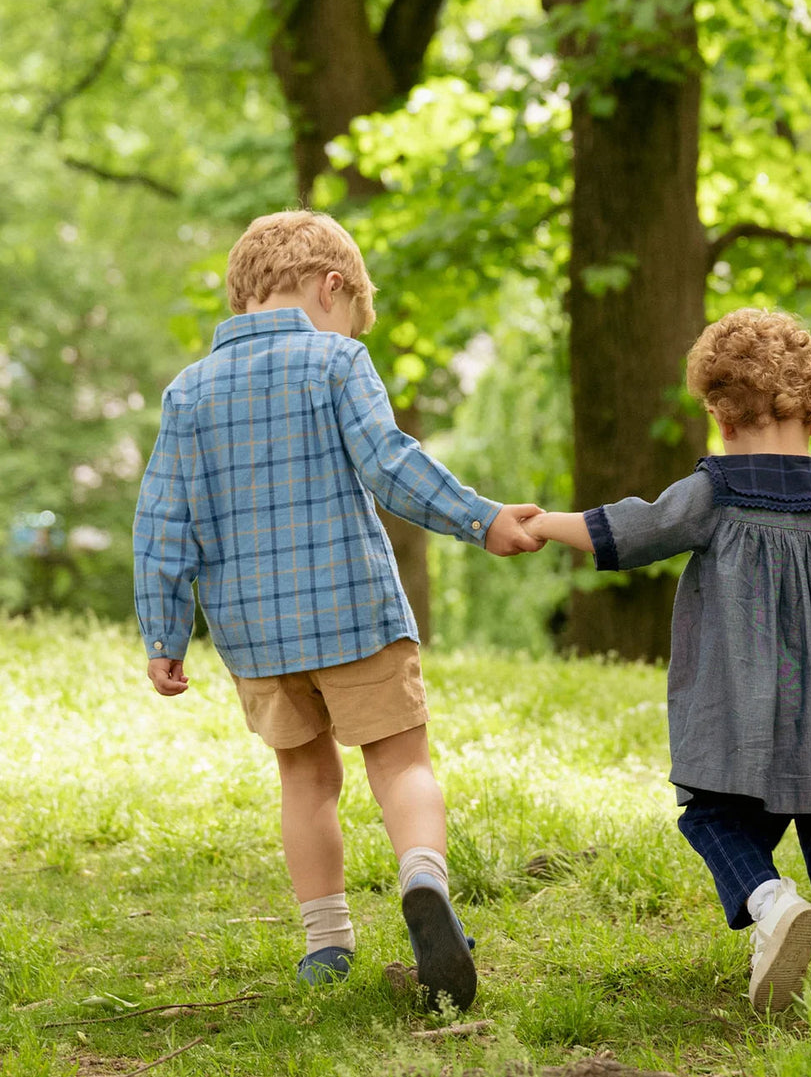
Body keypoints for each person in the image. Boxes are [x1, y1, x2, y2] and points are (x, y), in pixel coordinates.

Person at [133, 210, 544, 1012]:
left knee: (304, 777)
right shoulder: (335, 361)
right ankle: (423, 877)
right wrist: (481, 518)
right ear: (332, 287)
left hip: (254, 635)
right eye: (353, 310)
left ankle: (325, 942)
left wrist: (163, 631)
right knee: (400, 761)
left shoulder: (188, 392)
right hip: (352, 611)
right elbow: (391, 465)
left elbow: (162, 523)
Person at [523, 308, 811, 1012]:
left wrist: (541, 524)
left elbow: (637, 529)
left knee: (713, 818)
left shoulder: (718, 489)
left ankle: (771, 904)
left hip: (747, 714)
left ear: (721, 410)